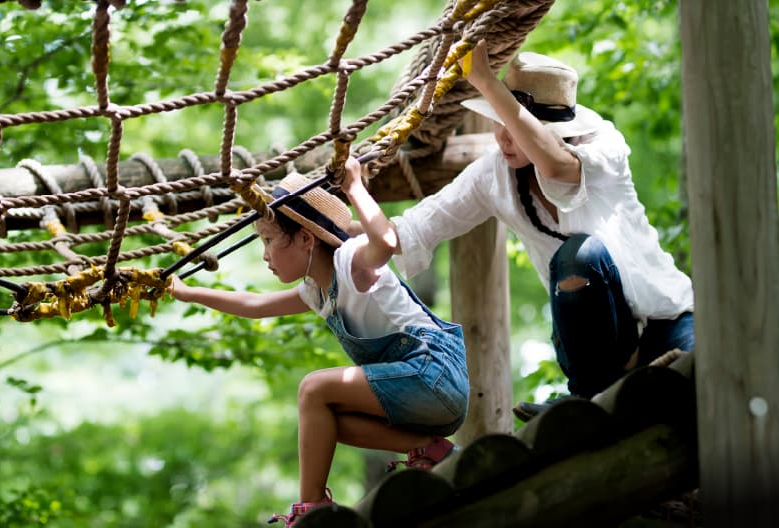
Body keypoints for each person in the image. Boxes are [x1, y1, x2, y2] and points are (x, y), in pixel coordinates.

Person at [388, 40, 694, 417]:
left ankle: (594, 397)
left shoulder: (604, 148)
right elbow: (413, 228)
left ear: (554, 131)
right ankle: (588, 397)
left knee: (582, 254)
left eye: (515, 126)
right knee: (572, 260)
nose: (504, 136)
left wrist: (486, 80)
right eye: (499, 122)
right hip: (599, 355)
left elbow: (555, 166)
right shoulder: (494, 174)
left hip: (667, 325)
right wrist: (338, 228)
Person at [168, 157, 469, 526]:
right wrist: (188, 293)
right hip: (423, 394)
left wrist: (354, 187)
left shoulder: (351, 261)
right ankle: (427, 449)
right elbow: (253, 306)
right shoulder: (316, 291)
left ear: (306, 238)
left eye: (269, 241)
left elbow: (386, 241)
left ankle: (310, 509)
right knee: (324, 423)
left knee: (313, 389)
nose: (264, 255)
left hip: (435, 373)